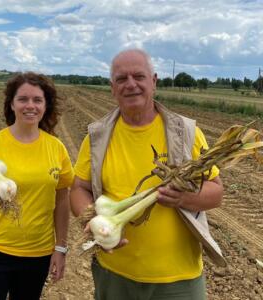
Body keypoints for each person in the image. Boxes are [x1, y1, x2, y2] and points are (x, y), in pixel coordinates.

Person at [70, 49, 225, 300]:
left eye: (138, 76)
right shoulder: (97, 136)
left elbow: (216, 193)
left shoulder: (185, 132)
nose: (131, 84)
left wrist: (182, 198)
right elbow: (79, 188)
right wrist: (90, 218)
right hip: (114, 273)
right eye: (121, 79)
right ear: (112, 87)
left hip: (178, 279)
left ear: (153, 82)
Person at [0, 72, 74, 300]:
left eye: (37, 100)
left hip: (36, 255)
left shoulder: (56, 148)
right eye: (23, 99)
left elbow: (61, 199)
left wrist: (60, 247)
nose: (30, 106)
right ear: (11, 104)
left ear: (46, 105)